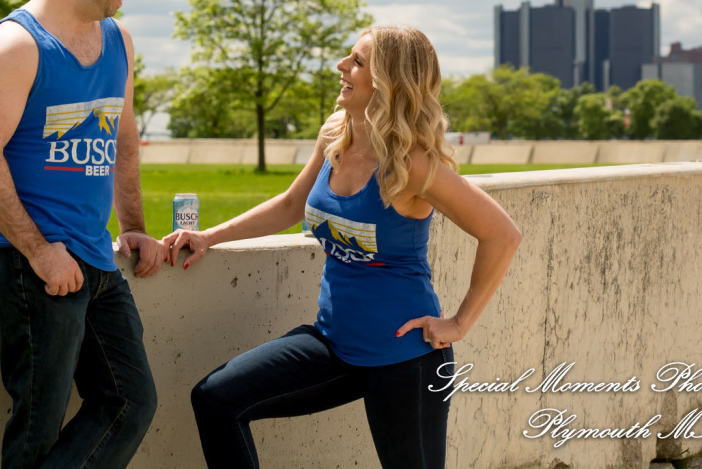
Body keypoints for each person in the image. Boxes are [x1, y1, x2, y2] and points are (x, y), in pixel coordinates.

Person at [164, 25, 523, 468]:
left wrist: (460, 322)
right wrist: (207, 236)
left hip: (404, 359)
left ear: (389, 82)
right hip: (333, 344)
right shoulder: (336, 134)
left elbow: (502, 234)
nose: (341, 67)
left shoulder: (412, 164)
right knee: (216, 399)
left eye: (356, 61)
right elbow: (292, 204)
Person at [0, 0, 162, 469]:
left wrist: (137, 228)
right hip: (27, 261)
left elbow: (121, 141)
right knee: (37, 426)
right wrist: (40, 251)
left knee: (131, 401)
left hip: (93, 257)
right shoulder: (15, 46)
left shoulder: (117, 42)